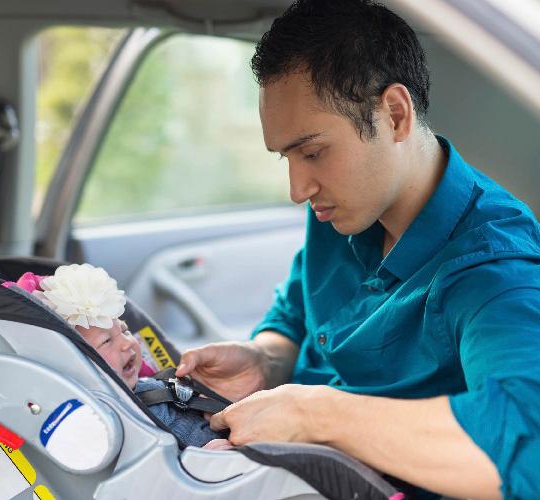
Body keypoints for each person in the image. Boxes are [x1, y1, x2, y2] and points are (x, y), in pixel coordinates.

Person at [175, 0, 540, 498]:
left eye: (313, 152)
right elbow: (295, 314)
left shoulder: (493, 268)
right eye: (287, 157)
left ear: (394, 114)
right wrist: (266, 360)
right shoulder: (346, 207)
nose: (298, 188)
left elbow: (527, 445)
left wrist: (314, 413)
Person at [4, 264, 230, 449]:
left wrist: (199, 402)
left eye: (124, 330)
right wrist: (198, 460)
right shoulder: (105, 425)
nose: (126, 343)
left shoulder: (147, 384)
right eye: (106, 341)